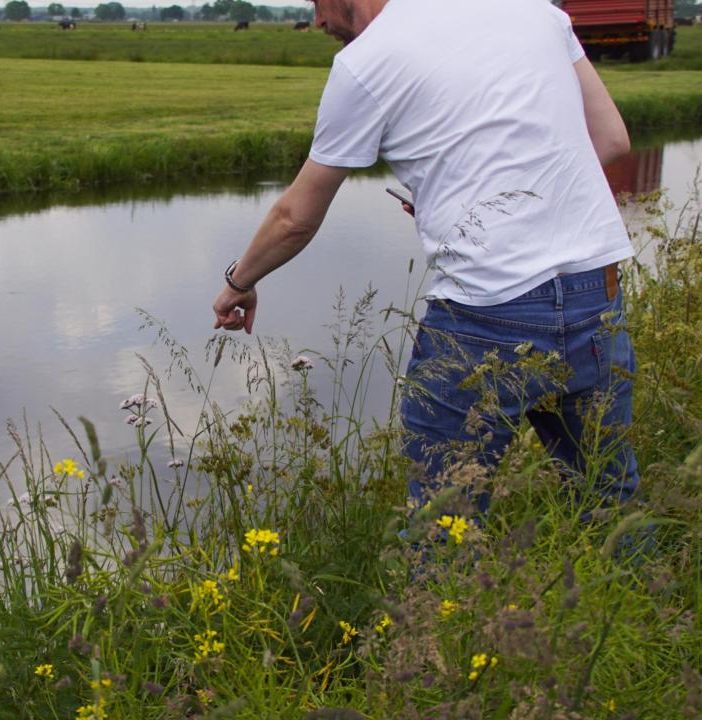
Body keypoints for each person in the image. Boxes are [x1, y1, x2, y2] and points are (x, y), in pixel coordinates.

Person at [210, 0, 640, 513]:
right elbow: (612, 139)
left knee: (444, 519)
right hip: (597, 292)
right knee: (607, 497)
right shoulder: (535, 11)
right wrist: (478, 193)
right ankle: (634, 588)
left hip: (486, 313)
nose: (319, 21)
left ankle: (447, 593)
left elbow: (294, 220)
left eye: (317, 3)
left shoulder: (367, 62)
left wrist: (239, 282)